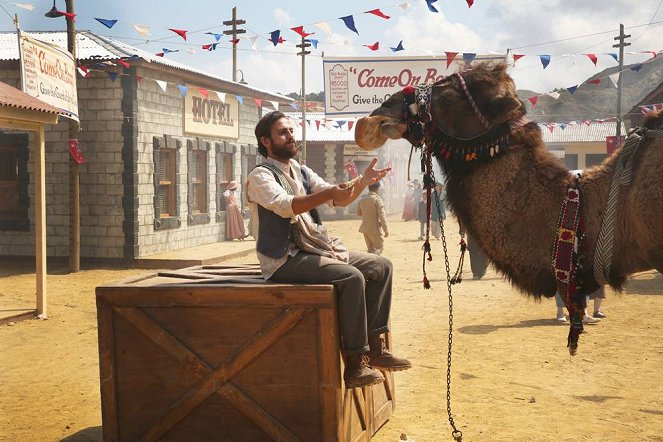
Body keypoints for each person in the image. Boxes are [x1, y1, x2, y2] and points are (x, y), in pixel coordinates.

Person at [247, 111, 411, 389]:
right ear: (265, 141)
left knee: (381, 266)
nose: (290, 136)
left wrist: (362, 182)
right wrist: (331, 192)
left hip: (313, 248)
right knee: (350, 276)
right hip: (284, 258)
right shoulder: (260, 176)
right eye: (282, 132)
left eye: (291, 130)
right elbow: (288, 205)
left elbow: (340, 196)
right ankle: (356, 363)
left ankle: (376, 348)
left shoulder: (301, 170)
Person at [356, 181, 389, 255]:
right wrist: (385, 230)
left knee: (370, 250)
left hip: (365, 229)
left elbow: (358, 213)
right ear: (378, 188)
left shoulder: (362, 199)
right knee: (379, 248)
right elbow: (382, 216)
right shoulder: (377, 199)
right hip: (375, 229)